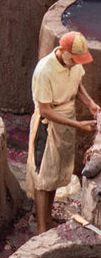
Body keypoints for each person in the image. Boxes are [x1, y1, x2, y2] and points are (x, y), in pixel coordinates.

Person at [28, 31, 99, 234]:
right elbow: (45, 110)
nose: (77, 63)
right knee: (44, 176)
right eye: (74, 59)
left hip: (68, 118)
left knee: (56, 172)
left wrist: (90, 104)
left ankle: (48, 219)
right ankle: (42, 227)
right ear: (64, 51)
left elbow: (78, 86)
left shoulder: (74, 64)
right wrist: (79, 126)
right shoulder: (45, 70)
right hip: (47, 124)